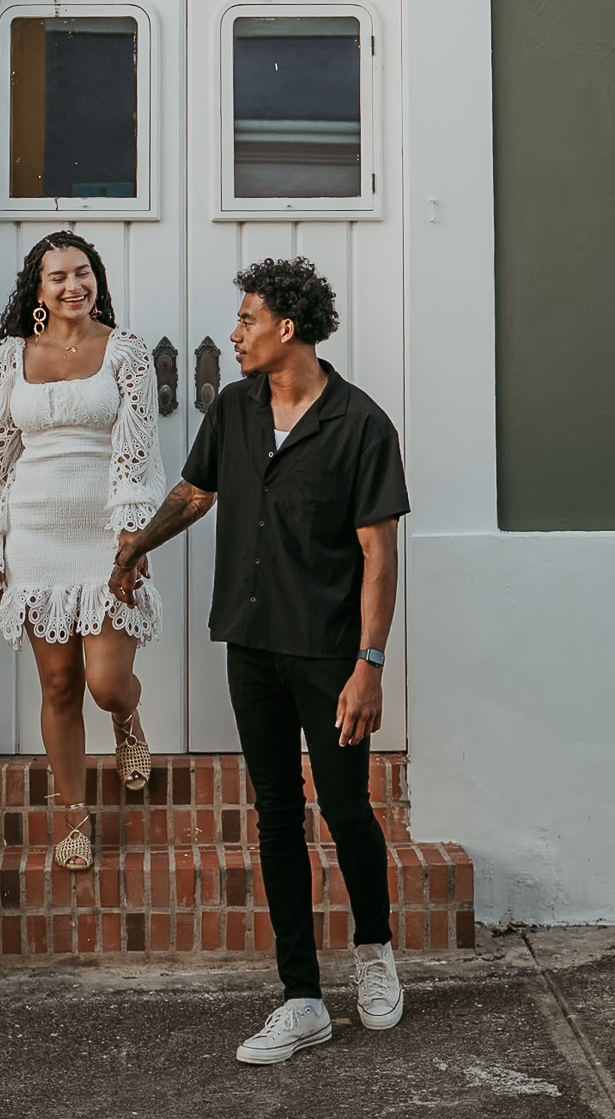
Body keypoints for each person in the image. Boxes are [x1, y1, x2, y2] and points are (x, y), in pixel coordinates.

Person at [110, 256, 408, 1064]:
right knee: (276, 816)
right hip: (252, 647)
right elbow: (198, 491)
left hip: (330, 656)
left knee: (346, 811)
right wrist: (141, 541)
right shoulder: (237, 408)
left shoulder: (361, 425)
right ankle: (301, 997)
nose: (234, 335)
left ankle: (375, 951)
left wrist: (369, 664)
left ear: (287, 328)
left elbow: (378, 556)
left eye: (246, 321)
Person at [0, 232, 165, 872]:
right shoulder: (9, 358)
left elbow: (139, 451)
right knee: (58, 684)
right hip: (35, 537)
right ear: (38, 289)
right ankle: (74, 819)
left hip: (104, 538)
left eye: (83, 272)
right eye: (58, 277)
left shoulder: (126, 353)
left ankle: (128, 718)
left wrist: (135, 539)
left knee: (104, 685)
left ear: (96, 279)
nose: (73, 285)